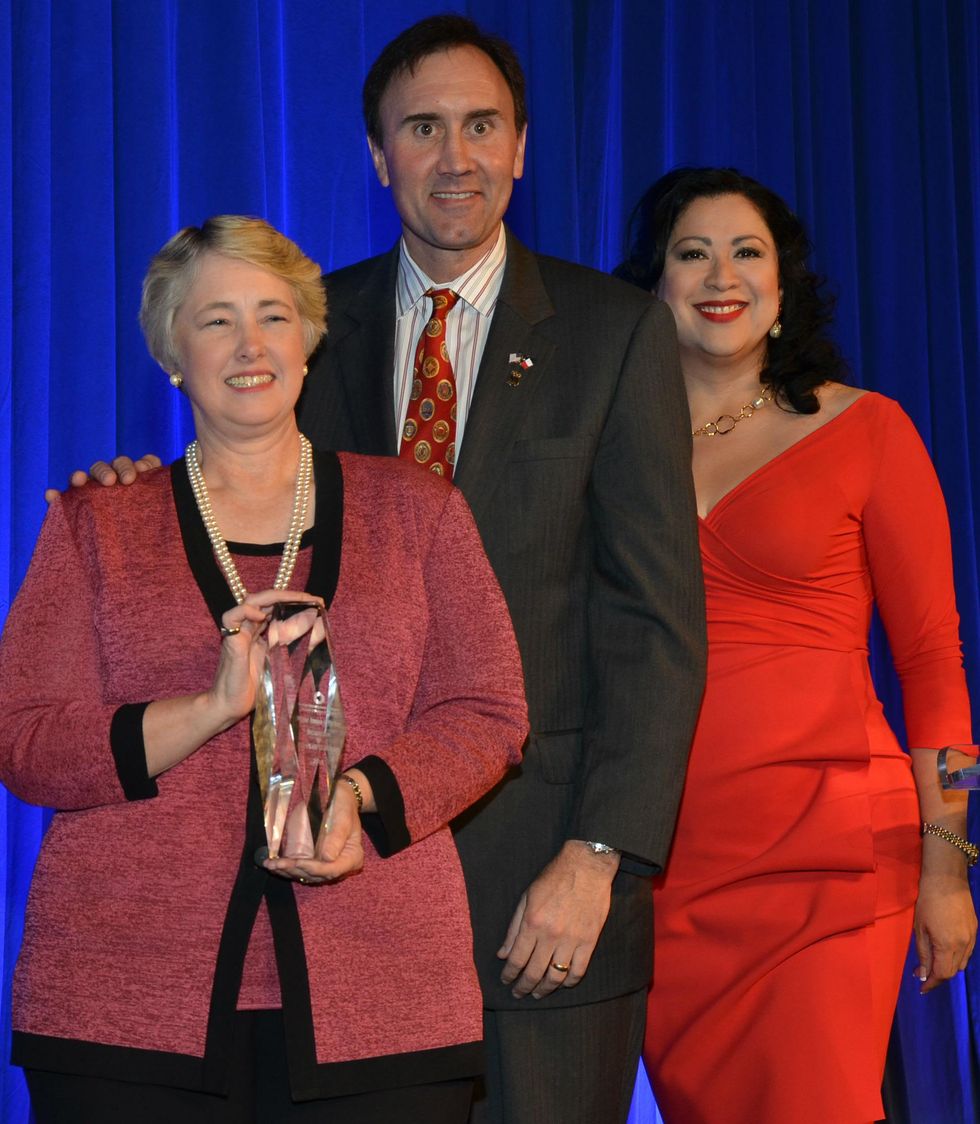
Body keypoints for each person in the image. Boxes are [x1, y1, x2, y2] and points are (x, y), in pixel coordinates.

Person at [72, 15, 707, 1124]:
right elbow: (229, 494)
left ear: (521, 147)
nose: (453, 156)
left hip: (541, 883)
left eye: (479, 126)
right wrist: (136, 488)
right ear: (377, 156)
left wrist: (598, 856)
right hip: (337, 892)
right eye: (422, 128)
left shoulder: (614, 335)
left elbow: (652, 626)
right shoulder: (308, 327)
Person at [0, 215, 529, 1123]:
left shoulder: (418, 511)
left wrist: (357, 800)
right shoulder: (97, 525)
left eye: (273, 316)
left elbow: (488, 710)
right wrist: (209, 708)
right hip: (126, 1008)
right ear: (171, 354)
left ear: (310, 338)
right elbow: (25, 739)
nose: (250, 345)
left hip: (382, 1001)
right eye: (214, 321)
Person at [615, 166, 977, 1124]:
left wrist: (950, 862)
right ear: (655, 285)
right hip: (667, 864)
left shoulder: (869, 430)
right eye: (690, 253)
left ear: (782, 288)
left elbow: (938, 669)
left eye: (746, 252)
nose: (719, 274)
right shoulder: (611, 448)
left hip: (832, 853)